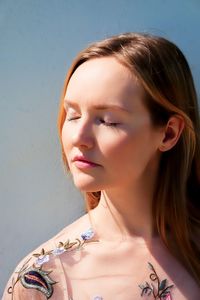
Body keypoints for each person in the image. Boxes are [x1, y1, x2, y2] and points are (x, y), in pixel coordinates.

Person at [2, 32, 200, 300]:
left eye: (107, 120)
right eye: (72, 115)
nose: (79, 138)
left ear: (168, 133)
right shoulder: (45, 278)